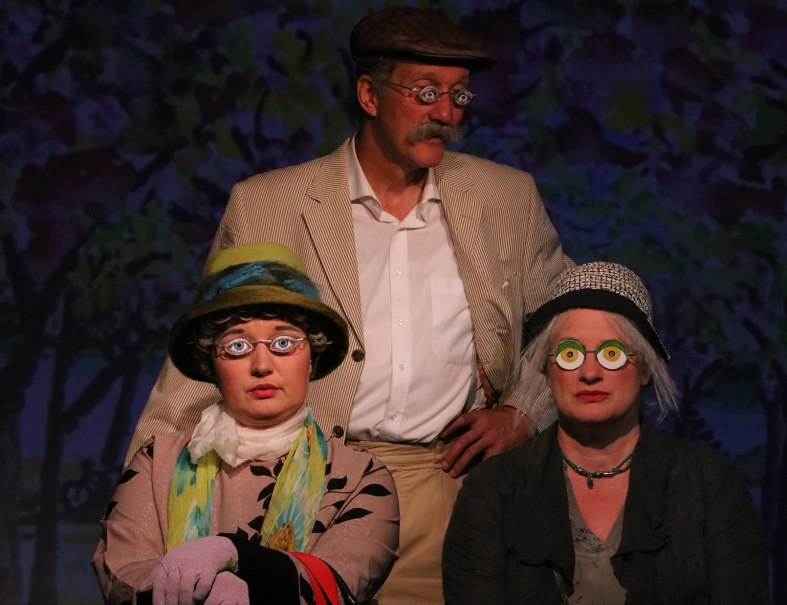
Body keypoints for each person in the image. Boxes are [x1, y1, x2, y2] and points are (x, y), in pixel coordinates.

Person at [126, 6, 572, 603]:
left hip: (443, 487)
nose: (445, 113)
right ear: (368, 93)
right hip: (302, 487)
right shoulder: (273, 204)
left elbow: (568, 324)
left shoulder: (504, 198)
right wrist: (140, 508)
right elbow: (204, 364)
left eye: (459, 96)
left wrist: (522, 409)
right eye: (425, 92)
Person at [442, 261, 769, 604]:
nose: (590, 371)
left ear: (644, 368)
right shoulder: (493, 490)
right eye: (569, 354)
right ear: (547, 371)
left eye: (611, 354)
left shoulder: (710, 486)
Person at [93, 243, 399, 605]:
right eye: (237, 346)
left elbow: (340, 583)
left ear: (311, 359)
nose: (261, 365)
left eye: (284, 342)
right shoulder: (156, 462)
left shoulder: (362, 476)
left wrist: (241, 561)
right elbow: (121, 573)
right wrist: (199, 595)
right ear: (211, 364)